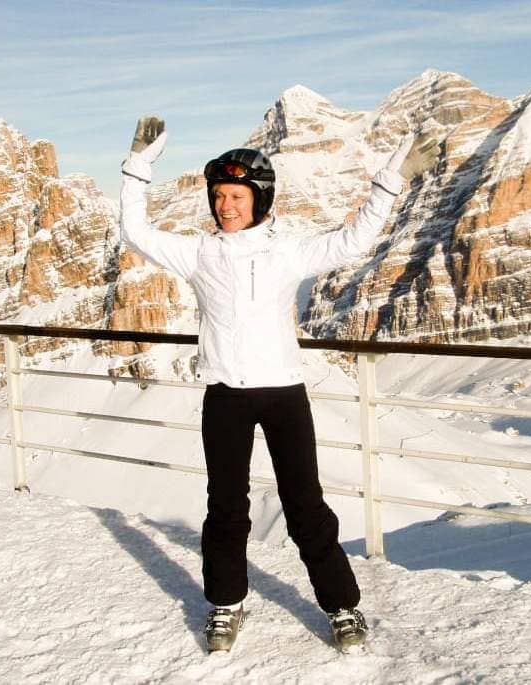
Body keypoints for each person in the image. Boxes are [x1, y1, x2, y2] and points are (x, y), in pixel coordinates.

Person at [119, 116, 433, 653]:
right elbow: (136, 232)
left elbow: (354, 239)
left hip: (284, 394)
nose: (225, 206)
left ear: (259, 198)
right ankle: (225, 604)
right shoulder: (199, 253)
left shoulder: (287, 250)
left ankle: (342, 608)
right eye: (219, 196)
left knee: (305, 505)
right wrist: (138, 167)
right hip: (225, 397)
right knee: (225, 509)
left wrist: (391, 179)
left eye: (236, 196)